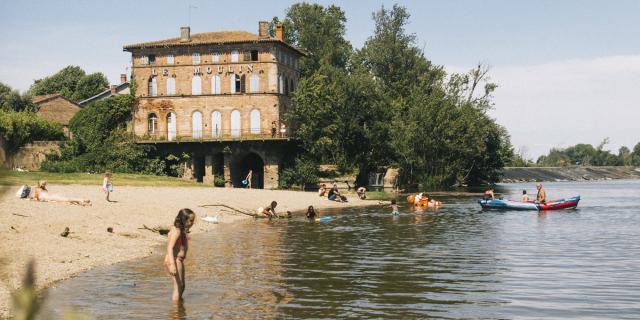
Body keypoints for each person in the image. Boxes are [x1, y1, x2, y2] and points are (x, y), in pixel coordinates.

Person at [164, 208, 196, 302]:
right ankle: (175, 313)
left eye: (193, 221)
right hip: (174, 260)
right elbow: (169, 248)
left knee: (182, 286)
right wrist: (172, 265)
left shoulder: (181, 231)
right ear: (183, 219)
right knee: (178, 287)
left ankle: (179, 307)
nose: (192, 223)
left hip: (179, 260)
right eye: (191, 220)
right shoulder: (176, 231)